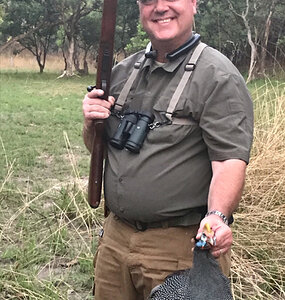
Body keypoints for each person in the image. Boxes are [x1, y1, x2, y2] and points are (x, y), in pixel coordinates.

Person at [82, 0, 253, 299]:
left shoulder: (217, 76)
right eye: (149, 0)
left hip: (180, 249)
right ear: (139, 7)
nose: (160, 7)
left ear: (194, 3)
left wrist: (217, 215)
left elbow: (228, 161)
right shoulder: (121, 72)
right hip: (115, 239)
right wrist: (91, 121)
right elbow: (101, 149)